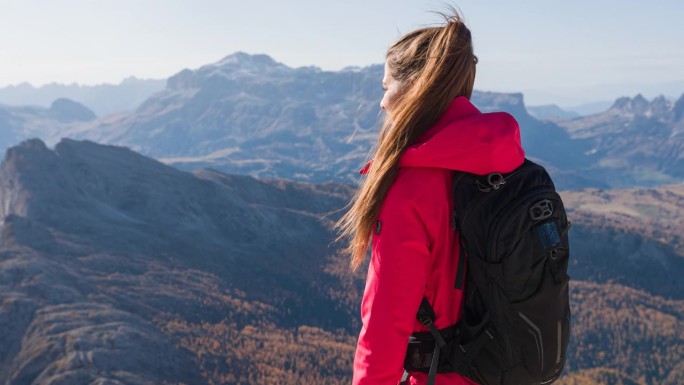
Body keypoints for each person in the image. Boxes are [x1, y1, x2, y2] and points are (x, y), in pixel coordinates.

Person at [335, 9, 526, 385]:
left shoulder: (411, 189)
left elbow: (384, 327)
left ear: (416, 87)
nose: (382, 102)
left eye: (385, 86)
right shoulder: (509, 164)